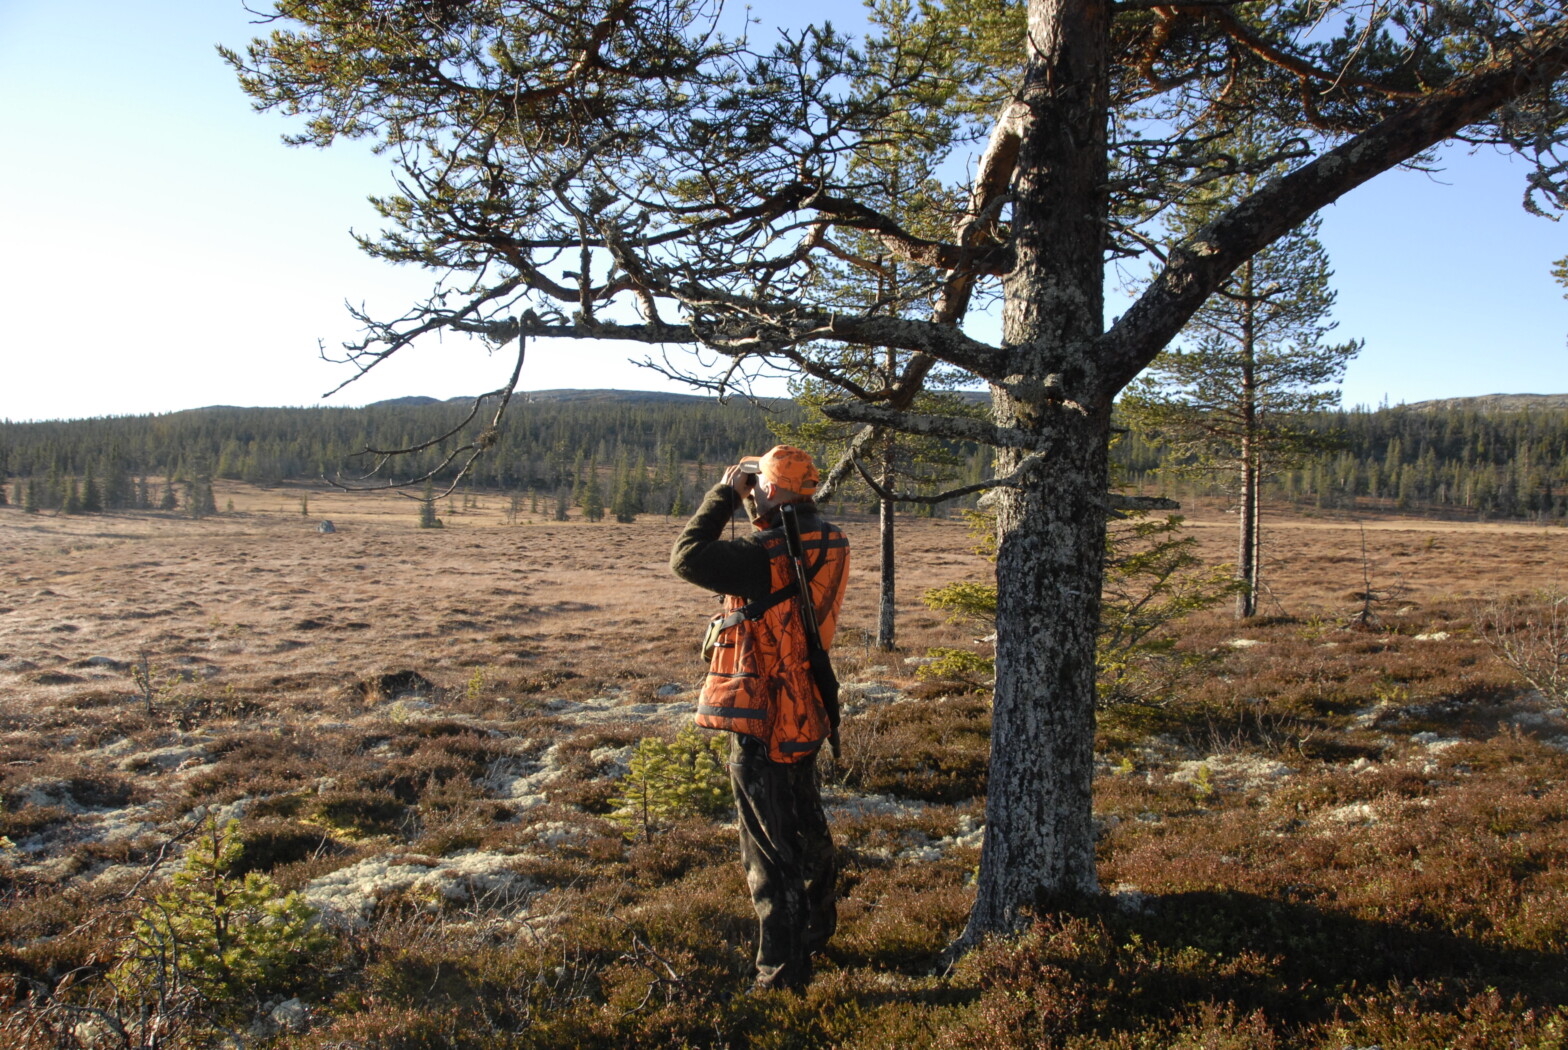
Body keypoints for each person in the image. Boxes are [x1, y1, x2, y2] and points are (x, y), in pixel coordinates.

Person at [670, 444, 850, 992]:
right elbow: (782, 559)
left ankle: (780, 978)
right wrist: (760, 503)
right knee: (807, 829)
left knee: (770, 856)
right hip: (807, 710)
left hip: (762, 720)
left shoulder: (762, 555)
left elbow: (687, 556)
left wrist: (726, 495)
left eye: (760, 485)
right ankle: (817, 933)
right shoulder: (832, 541)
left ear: (769, 488)